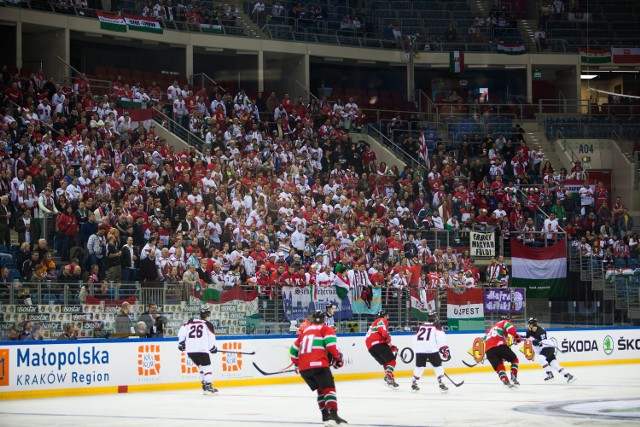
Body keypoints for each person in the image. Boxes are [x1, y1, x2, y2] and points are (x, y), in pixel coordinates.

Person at [290, 310, 347, 426]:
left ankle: (325, 417)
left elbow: (292, 351)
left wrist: (298, 363)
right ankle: (333, 416)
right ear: (324, 320)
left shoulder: (304, 331)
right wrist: (338, 359)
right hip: (319, 366)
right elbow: (331, 346)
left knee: (321, 390)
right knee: (329, 389)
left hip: (304, 370)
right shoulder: (326, 329)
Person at [178, 306, 219, 395]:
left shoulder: (190, 321)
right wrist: (212, 348)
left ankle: (204, 386)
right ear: (208, 314)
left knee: (201, 366)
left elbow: (181, 331)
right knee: (207, 366)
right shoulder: (208, 324)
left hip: (190, 350)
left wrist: (181, 342)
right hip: (201, 349)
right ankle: (208, 386)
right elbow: (211, 338)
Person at [523, 317, 575, 383]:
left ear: (532, 324)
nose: (528, 326)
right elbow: (526, 338)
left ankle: (549, 374)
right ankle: (568, 375)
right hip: (546, 349)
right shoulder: (529, 331)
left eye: (529, 324)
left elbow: (542, 343)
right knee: (554, 364)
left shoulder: (541, 331)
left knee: (541, 359)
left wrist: (538, 343)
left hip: (547, 347)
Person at [411, 313, 450, 393]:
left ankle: (414, 382)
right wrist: (443, 349)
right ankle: (441, 382)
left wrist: (418, 349)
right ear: (435, 318)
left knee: (419, 367)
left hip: (420, 349)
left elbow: (415, 337)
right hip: (431, 349)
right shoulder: (437, 325)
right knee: (438, 366)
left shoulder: (421, 325)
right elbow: (440, 338)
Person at [484, 315, 522, 388]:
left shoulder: (490, 329)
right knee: (514, 360)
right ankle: (514, 375)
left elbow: (485, 340)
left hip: (489, 350)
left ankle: (504, 378)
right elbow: (510, 328)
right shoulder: (504, 322)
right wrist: (516, 337)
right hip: (500, 346)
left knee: (499, 366)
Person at [365, 310, 399, 388]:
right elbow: (383, 332)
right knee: (392, 361)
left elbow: (378, 335)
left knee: (386, 363)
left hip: (370, 348)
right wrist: (388, 341)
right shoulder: (381, 320)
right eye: (387, 316)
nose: (387, 318)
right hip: (378, 344)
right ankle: (389, 376)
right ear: (384, 316)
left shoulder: (374, 324)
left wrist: (389, 346)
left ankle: (390, 378)